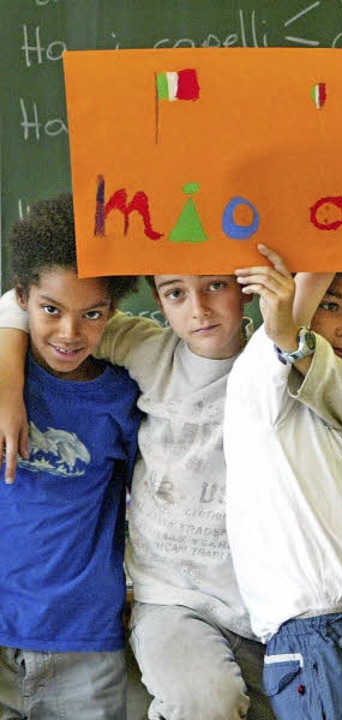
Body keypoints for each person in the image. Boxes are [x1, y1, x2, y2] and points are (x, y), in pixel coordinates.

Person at [0, 255, 271, 718]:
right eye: (175, 293)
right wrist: (8, 383)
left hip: (90, 633)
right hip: (37, 620)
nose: (70, 331)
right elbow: (20, 299)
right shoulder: (19, 373)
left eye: (92, 314)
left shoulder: (129, 390)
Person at [225, 245, 342, 719]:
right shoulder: (259, 372)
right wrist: (291, 311)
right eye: (331, 304)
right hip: (322, 639)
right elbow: (315, 268)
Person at [0, 194, 142, 720]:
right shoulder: (5, 376)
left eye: (93, 314)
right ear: (22, 298)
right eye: (51, 310)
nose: (69, 333)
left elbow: (147, 502)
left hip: (82, 639)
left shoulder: (122, 399)